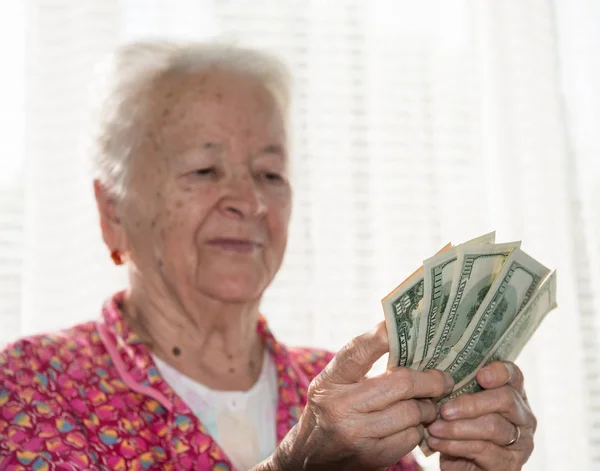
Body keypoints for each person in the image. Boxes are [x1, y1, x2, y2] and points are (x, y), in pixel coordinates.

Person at [0, 41, 536, 471]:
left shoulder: (349, 400)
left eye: (269, 174)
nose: (251, 203)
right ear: (113, 211)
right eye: (204, 171)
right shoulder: (30, 384)